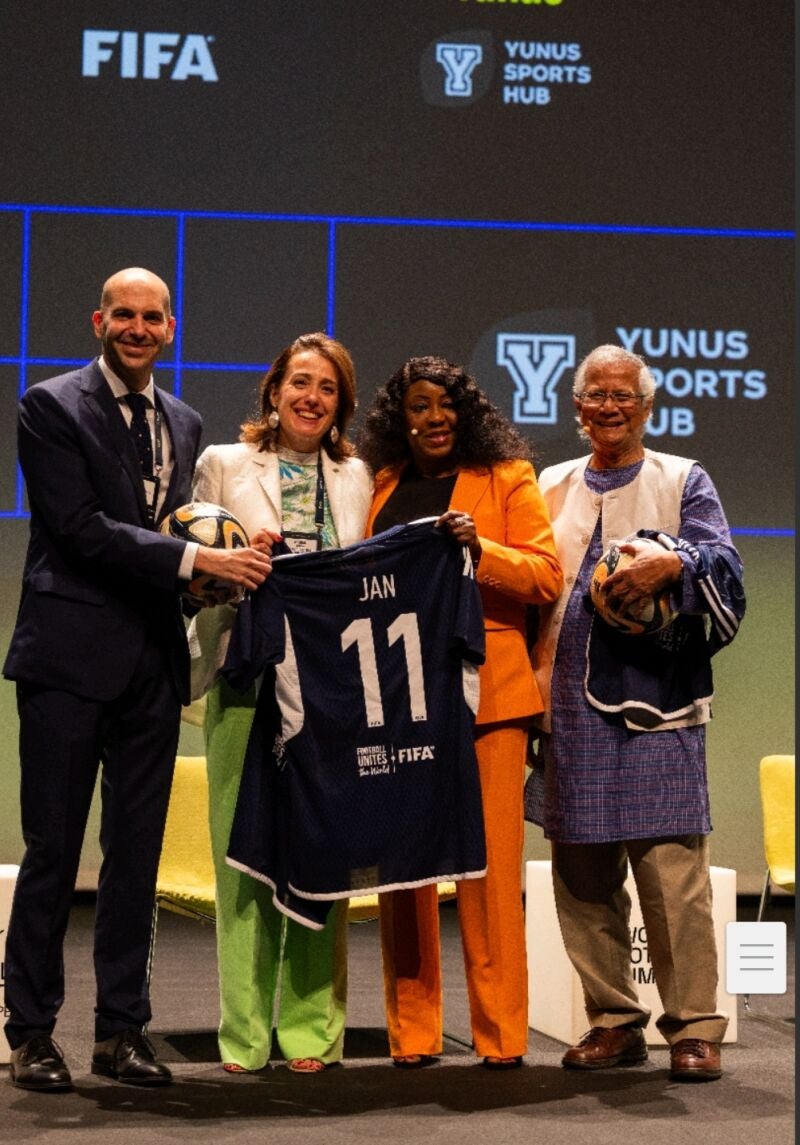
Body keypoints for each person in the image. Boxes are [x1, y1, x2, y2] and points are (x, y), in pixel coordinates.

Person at [2, 268, 271, 1092]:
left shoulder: (184, 422)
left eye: (152, 316)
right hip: (67, 659)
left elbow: (160, 534)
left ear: (171, 328)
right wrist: (197, 559)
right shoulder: (50, 406)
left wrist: (208, 581)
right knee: (53, 852)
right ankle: (32, 1032)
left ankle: (122, 1030)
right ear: (98, 320)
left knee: (136, 856)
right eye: (123, 313)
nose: (137, 326)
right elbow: (79, 530)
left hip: (153, 664)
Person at [525, 343, 746, 1082]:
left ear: (646, 407)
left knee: (672, 877)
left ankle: (693, 1027)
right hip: (568, 706)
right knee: (582, 873)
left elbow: (728, 568)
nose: (610, 407)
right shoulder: (551, 483)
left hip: (658, 702)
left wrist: (676, 561)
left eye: (625, 395)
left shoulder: (682, 478)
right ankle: (612, 1019)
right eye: (597, 395)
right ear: (577, 406)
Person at [358, 355, 563, 1069]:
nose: (433, 417)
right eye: (418, 406)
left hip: (492, 696)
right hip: (402, 694)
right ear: (400, 417)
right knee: (404, 869)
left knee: (490, 873)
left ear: (465, 412)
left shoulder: (508, 479)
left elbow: (545, 574)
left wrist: (485, 547)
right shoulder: (383, 485)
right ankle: (412, 1032)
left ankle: (501, 1035)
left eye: (445, 405)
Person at [188, 332, 372, 1075]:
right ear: (273, 390)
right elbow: (192, 565)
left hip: (331, 690)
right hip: (244, 677)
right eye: (300, 382)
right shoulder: (225, 464)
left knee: (323, 858)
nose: (311, 397)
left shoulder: (359, 476)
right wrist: (237, 560)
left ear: (341, 405)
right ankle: (242, 1034)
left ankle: (310, 1030)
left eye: (327, 388)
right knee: (241, 865)